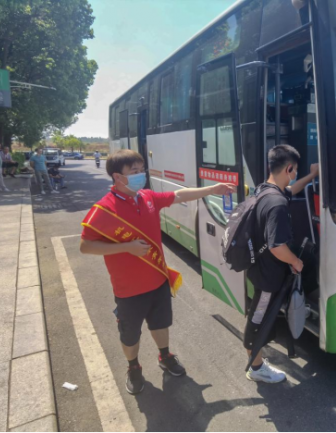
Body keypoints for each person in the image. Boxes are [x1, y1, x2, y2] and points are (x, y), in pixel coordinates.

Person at [79, 149, 235, 395]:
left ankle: (165, 356)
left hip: (158, 280)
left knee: (161, 325)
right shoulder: (104, 209)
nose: (141, 175)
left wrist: (212, 189)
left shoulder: (147, 197)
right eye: (134, 171)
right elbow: (85, 246)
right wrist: (126, 247)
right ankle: (133, 367)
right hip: (128, 290)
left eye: (142, 170)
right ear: (118, 177)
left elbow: (178, 195)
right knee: (130, 335)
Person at [244, 144, 319, 384]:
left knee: (261, 314)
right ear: (288, 168)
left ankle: (256, 362)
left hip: (261, 268)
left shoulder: (265, 190)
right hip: (267, 276)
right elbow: (277, 246)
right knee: (258, 319)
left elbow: (291, 189)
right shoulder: (276, 204)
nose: (295, 174)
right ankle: (256, 368)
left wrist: (311, 176)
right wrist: (296, 261)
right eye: (295, 170)